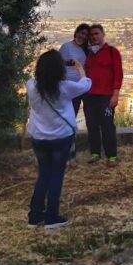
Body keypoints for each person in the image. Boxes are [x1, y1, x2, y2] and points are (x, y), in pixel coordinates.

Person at [26, 50, 92, 229]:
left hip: (39, 137)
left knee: (44, 174)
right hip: (61, 137)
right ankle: (51, 217)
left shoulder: (31, 85)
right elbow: (86, 85)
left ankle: (35, 215)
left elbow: (41, 81)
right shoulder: (65, 87)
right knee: (56, 176)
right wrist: (79, 69)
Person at [84, 24, 123, 167]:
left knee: (107, 126)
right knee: (92, 125)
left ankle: (111, 156)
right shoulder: (88, 53)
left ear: (103, 34)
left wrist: (115, 94)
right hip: (89, 96)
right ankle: (95, 153)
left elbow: (118, 74)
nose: (94, 37)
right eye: (92, 35)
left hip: (106, 96)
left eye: (96, 34)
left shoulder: (113, 52)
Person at [59, 23, 90, 159]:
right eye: (81, 33)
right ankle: (69, 150)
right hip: (70, 88)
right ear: (76, 32)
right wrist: (70, 63)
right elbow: (58, 63)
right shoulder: (66, 47)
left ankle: (71, 149)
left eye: (85, 35)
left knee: (74, 118)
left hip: (81, 87)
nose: (83, 36)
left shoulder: (85, 50)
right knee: (69, 118)